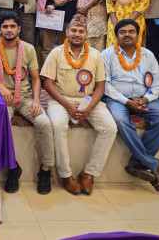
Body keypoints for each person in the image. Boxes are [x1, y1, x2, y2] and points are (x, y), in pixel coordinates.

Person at [0, 11, 54, 194]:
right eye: (5, 26)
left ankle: (45, 170)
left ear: (19, 29)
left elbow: (36, 79)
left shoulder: (28, 49)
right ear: (0, 29)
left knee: (45, 123)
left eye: (12, 26)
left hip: (26, 98)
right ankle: (12, 168)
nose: (9, 30)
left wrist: (36, 101)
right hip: (2, 99)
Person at [41, 14, 117, 195]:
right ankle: (66, 175)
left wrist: (89, 107)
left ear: (86, 34)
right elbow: (48, 84)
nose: (77, 34)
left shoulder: (96, 55)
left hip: (89, 101)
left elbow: (100, 86)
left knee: (110, 128)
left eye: (81, 31)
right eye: (73, 30)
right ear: (67, 32)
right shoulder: (56, 53)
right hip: (61, 100)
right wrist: (68, 105)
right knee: (58, 125)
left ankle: (89, 173)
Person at [102, 19, 159, 193]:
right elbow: (105, 85)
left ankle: (137, 162)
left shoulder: (148, 55)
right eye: (122, 32)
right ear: (116, 36)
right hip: (117, 99)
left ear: (138, 34)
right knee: (119, 119)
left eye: (131, 31)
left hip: (145, 98)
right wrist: (127, 102)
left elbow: (158, 84)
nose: (127, 35)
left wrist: (146, 99)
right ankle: (151, 163)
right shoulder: (107, 55)